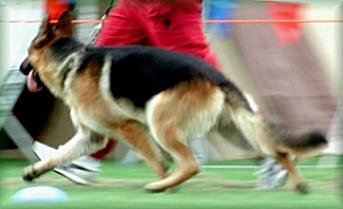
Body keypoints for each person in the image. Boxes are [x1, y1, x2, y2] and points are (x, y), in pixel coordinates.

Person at [33, 0, 288, 188]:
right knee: (96, 79)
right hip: (131, 5)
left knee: (213, 87)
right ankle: (86, 157)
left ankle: (272, 152)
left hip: (169, 7)